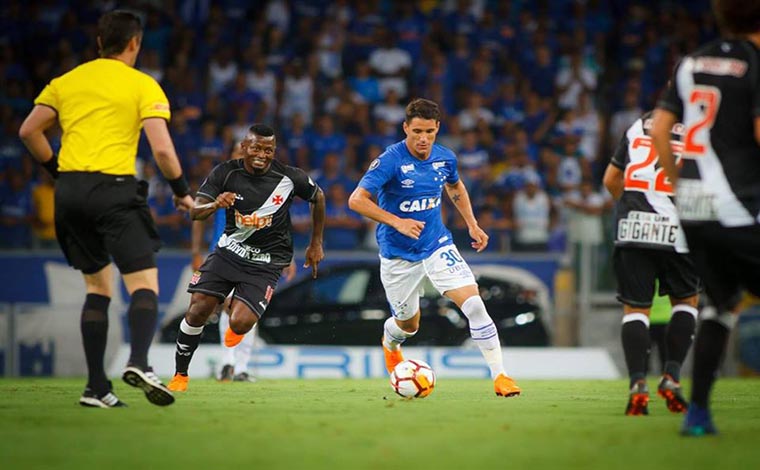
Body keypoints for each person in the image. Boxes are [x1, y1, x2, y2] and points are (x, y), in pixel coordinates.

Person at [18, 10, 194, 408]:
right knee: (143, 283)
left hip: (70, 191)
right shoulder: (142, 84)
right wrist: (182, 192)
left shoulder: (67, 81)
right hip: (114, 189)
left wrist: (57, 171)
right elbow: (163, 149)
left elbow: (28, 130)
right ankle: (140, 362)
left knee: (98, 289)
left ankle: (96, 387)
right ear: (135, 43)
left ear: (99, 43)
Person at [348, 98, 521, 397]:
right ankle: (390, 344)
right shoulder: (390, 160)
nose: (423, 138)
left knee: (475, 304)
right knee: (408, 325)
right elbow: (357, 200)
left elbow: (455, 186)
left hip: (437, 244)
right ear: (405, 128)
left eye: (429, 131)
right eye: (416, 131)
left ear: (438, 128)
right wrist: (397, 221)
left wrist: (472, 223)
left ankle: (501, 376)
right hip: (398, 254)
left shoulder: (445, 158)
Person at [651, 0, 760, 436]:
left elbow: (661, 130)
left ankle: (697, 416)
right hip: (739, 204)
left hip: (694, 207)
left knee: (718, 306)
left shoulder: (690, 62)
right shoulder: (755, 63)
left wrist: (680, 188)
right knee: (721, 304)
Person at [167, 123, 325, 392]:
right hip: (228, 253)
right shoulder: (225, 173)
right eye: (256, 148)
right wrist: (216, 204)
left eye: (269, 149)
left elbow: (318, 197)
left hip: (266, 262)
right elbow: (195, 213)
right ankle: (180, 375)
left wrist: (315, 243)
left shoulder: (289, 177)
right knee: (198, 310)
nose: (262, 154)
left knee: (240, 322)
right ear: (243, 147)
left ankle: (235, 346)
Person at [603, 111, 700, 416]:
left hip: (633, 229)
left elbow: (611, 179)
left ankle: (637, 385)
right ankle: (671, 375)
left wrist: (631, 210)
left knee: (635, 311)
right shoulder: (701, 128)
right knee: (686, 302)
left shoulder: (639, 124)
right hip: (678, 231)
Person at [190, 142, 296, 383]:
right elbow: (199, 217)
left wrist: (287, 255)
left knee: (245, 309)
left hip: (260, 255)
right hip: (225, 251)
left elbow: (279, 223)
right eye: (242, 153)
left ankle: (240, 367)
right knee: (227, 304)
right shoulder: (223, 179)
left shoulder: (269, 185)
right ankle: (230, 363)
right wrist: (195, 251)